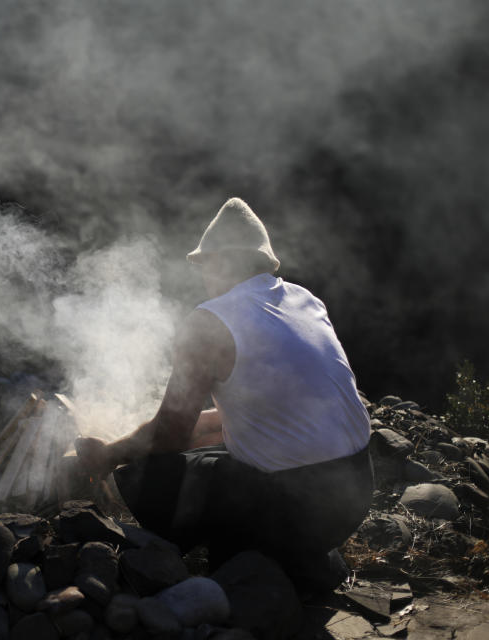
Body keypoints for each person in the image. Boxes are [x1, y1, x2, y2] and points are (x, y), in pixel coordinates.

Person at [75, 197, 372, 590]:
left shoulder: (209, 322)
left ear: (220, 263)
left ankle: (246, 563)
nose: (201, 275)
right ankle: (296, 557)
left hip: (297, 511)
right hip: (354, 495)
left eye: (203, 264)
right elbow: (257, 417)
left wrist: (109, 455)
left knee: (149, 474)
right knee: (215, 452)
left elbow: (170, 436)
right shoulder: (305, 300)